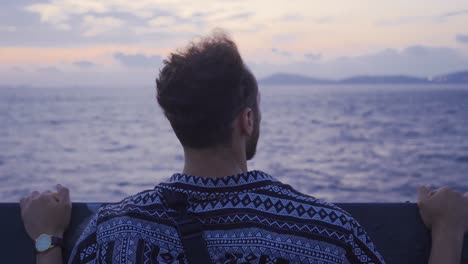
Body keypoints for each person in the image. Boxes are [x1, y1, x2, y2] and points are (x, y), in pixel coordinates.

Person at [19, 31, 466, 264]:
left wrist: (47, 240)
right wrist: (447, 230)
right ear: (246, 120)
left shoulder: (112, 235)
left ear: (174, 120)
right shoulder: (327, 235)